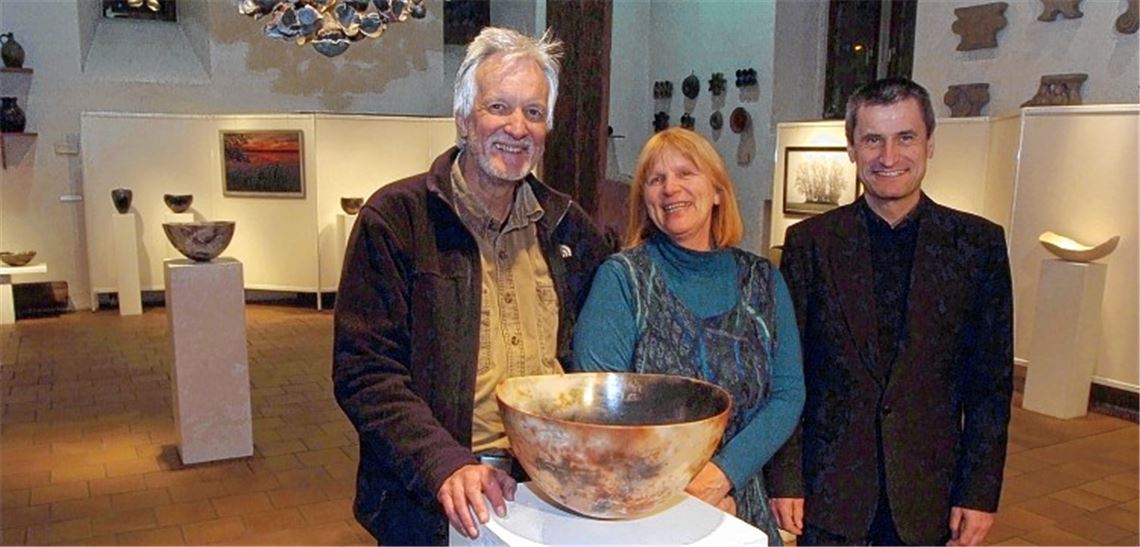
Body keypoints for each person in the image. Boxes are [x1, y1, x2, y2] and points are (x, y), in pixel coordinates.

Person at [332, 27, 608, 545]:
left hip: (549, 491)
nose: (517, 127)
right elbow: (365, 373)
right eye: (498, 106)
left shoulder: (571, 230)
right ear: (463, 119)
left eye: (533, 112)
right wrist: (444, 463)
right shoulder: (396, 220)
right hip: (434, 496)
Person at [766, 78, 1014, 546]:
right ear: (851, 148)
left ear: (930, 143)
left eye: (905, 137)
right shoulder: (810, 244)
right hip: (830, 489)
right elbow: (788, 372)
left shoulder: (978, 246)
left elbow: (990, 386)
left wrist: (979, 492)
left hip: (929, 492)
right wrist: (786, 479)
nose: (888, 156)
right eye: (872, 140)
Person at [573, 127, 805, 545]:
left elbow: (788, 395)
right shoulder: (622, 280)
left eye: (685, 173)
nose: (670, 188)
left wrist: (722, 476)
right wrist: (684, 497)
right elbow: (599, 412)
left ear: (717, 191)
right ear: (645, 199)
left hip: (741, 510)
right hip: (646, 515)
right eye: (656, 179)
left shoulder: (764, 281)